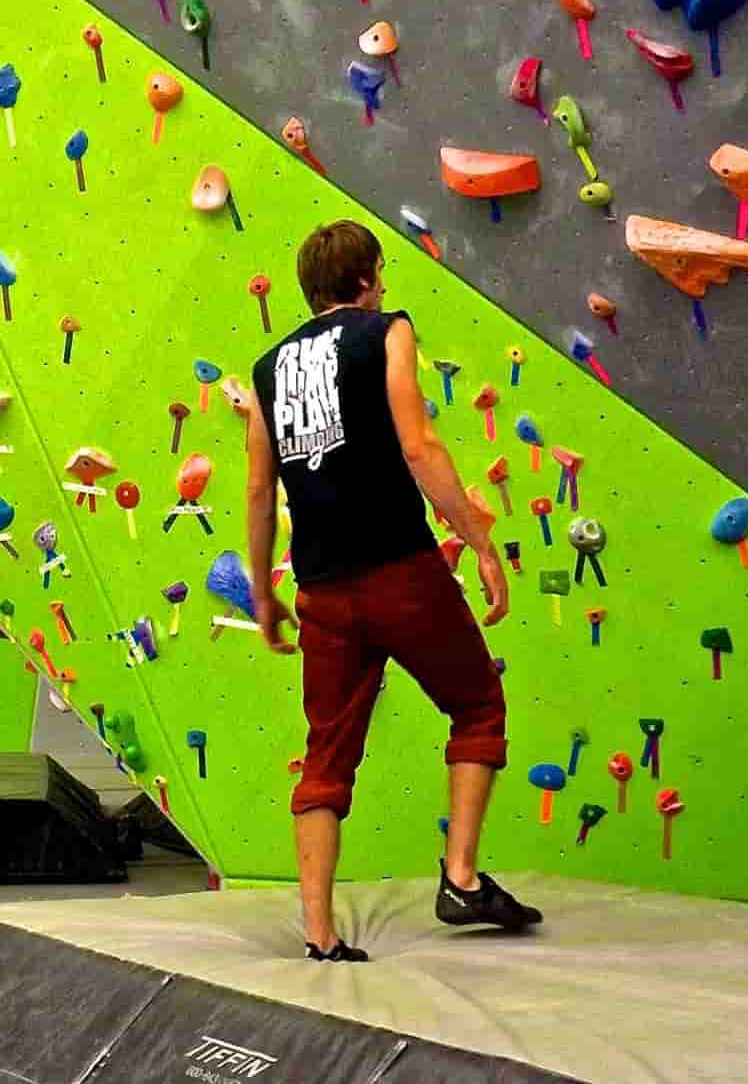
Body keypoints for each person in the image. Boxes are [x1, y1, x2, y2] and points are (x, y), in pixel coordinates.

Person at [246, 220, 539, 963]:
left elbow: (257, 487)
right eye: (382, 273)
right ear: (370, 276)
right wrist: (478, 540)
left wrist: (262, 589)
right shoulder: (386, 331)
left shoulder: (266, 367)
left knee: (325, 758)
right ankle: (462, 877)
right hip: (400, 570)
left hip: (320, 589)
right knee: (477, 704)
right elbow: (418, 444)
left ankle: (318, 934)